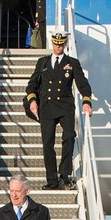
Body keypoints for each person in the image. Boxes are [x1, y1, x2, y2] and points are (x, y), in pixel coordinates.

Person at [24, 31, 93, 190]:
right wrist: (32, 100)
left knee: (69, 137)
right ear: (52, 43)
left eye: (61, 44)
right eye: (55, 44)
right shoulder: (43, 62)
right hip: (47, 107)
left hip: (65, 106)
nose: (58, 47)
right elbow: (32, 84)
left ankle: (64, 174)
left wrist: (86, 101)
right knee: (47, 144)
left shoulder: (72, 63)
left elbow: (82, 84)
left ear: (65, 44)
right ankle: (52, 180)